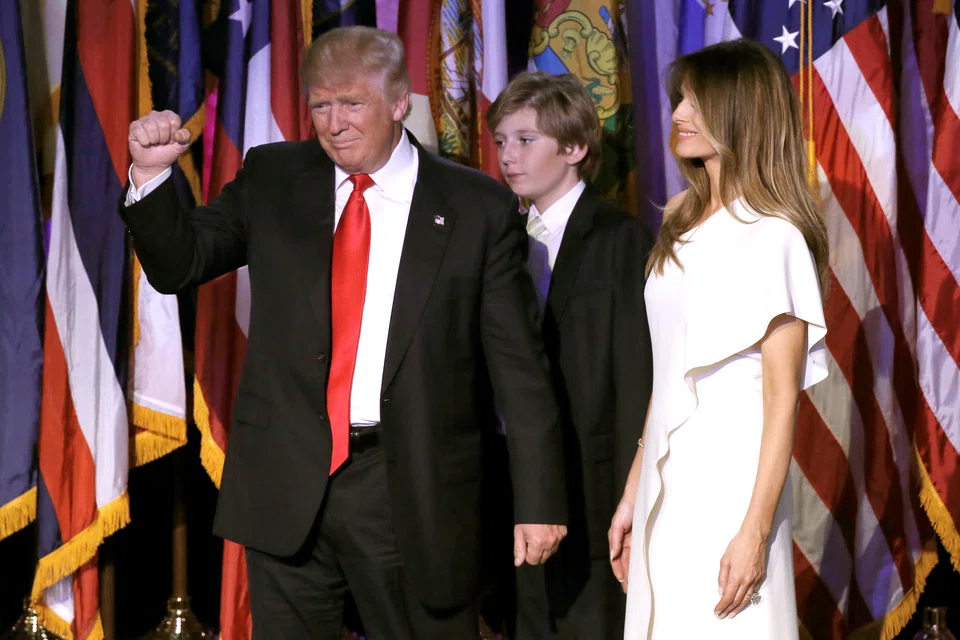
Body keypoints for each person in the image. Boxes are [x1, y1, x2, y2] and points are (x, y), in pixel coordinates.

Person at [121, 26, 569, 639]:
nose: (335, 123)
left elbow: (520, 370)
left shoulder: (476, 206)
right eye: (321, 105)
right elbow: (180, 264)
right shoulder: (274, 175)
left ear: (398, 102)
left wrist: (540, 502)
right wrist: (150, 177)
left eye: (353, 103)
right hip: (286, 479)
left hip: (408, 483)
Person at [608, 38, 830, 639]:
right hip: (666, 483)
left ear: (741, 112)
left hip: (733, 488)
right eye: (680, 99)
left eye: (695, 101)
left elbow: (782, 399)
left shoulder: (776, 236)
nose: (678, 113)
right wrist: (633, 492)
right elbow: (668, 372)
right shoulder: (679, 219)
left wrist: (755, 531)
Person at [488, 71, 654, 639]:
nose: (508, 156)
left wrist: (631, 497)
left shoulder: (620, 240)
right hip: (513, 485)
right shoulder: (501, 237)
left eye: (525, 139)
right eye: (501, 141)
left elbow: (636, 376)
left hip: (593, 490)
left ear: (576, 147)